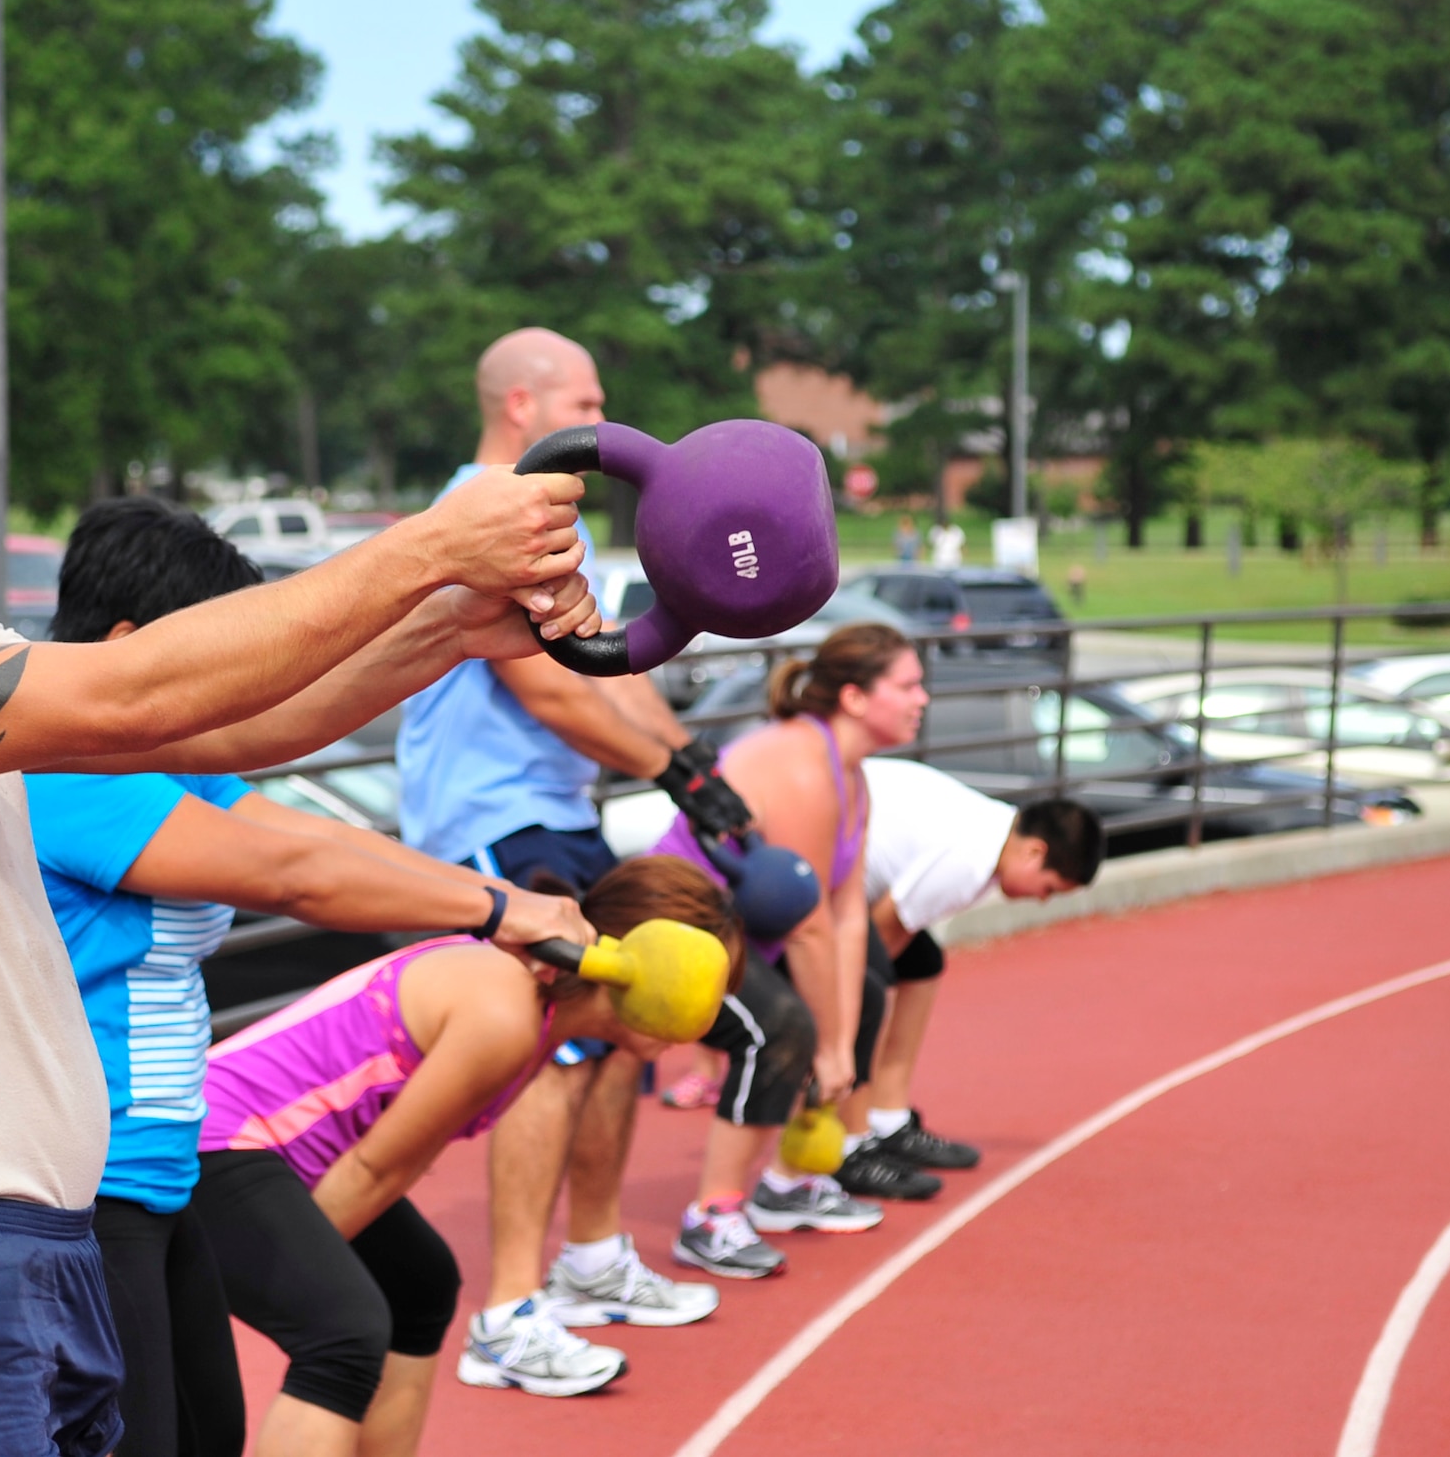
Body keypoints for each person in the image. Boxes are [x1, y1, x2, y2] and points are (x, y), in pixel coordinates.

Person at [0, 282, 602, 1457]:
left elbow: (213, 727)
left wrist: (453, 623)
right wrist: (426, 545)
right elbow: (130, 684)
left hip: (24, 1245)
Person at [23, 496, 599, 1457]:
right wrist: (499, 909)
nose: (236, 696)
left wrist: (455, 629)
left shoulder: (168, 764)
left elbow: (313, 831)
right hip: (92, 1191)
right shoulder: (72, 773)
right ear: (128, 645)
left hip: (165, 1180)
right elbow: (292, 876)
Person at [397, 328, 746, 1390]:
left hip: (556, 807)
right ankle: (506, 1312)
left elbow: (609, 659)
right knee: (547, 1051)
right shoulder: (482, 512)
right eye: (586, 399)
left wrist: (681, 756)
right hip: (490, 819)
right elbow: (544, 685)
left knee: (614, 1029)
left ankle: (590, 1256)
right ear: (519, 405)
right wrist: (671, 770)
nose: (605, 421)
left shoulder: (551, 514)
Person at [192, 855, 745, 1456]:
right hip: (219, 1144)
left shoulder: (538, 1014)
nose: (706, 1019)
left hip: (281, 1154)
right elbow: (375, 1170)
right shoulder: (505, 1013)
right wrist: (256, 1279)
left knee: (420, 1284)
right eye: (705, 990)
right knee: (343, 1330)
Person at [650, 624, 935, 1275]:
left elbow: (845, 914)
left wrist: (842, 1036)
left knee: (861, 989)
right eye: (909, 685)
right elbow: (806, 927)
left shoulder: (854, 780)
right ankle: (712, 1217)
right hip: (676, 926)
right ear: (857, 698)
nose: (923, 699)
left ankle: (787, 1181)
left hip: (742, 932)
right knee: (781, 1026)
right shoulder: (804, 766)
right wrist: (828, 1050)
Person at [851, 760, 1106, 1169]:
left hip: (848, 854)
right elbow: (881, 931)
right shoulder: (971, 859)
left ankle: (887, 1117)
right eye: (1049, 889)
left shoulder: (994, 830)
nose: (1042, 900)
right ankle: (852, 1138)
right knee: (867, 988)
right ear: (1035, 852)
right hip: (819, 863)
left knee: (922, 963)